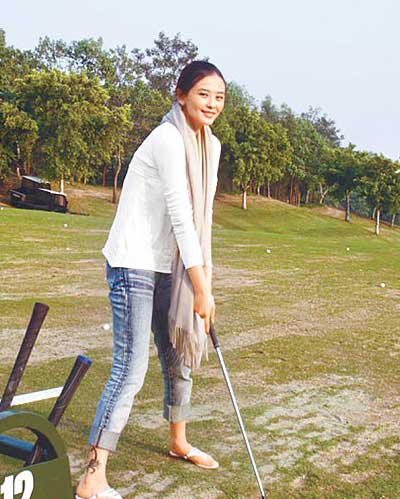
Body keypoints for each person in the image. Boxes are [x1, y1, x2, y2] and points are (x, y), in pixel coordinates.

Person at [75, 60, 226, 499]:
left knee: (179, 356)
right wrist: (200, 288)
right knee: (130, 368)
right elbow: (181, 213)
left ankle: (179, 441)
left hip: (170, 265)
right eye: (203, 94)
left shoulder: (211, 146)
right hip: (134, 261)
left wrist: (205, 281)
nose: (212, 104)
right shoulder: (166, 138)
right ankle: (92, 477)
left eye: (219, 97)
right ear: (181, 95)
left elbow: (203, 219)